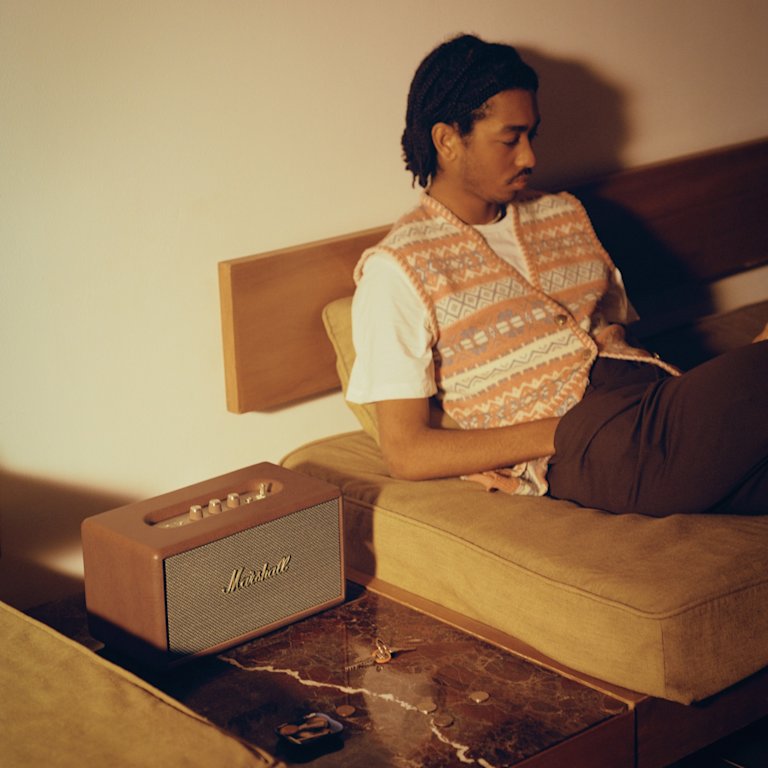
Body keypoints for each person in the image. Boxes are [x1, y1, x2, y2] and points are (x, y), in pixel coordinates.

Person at [346, 33, 768, 517]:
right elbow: (405, 450)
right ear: (447, 141)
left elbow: (613, 337)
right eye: (510, 139)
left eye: (532, 136)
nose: (530, 157)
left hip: (651, 402)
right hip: (591, 443)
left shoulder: (563, 214)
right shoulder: (399, 269)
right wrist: (552, 432)